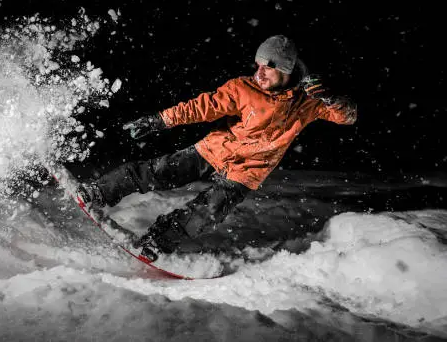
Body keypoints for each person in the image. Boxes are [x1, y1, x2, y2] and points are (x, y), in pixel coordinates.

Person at [76, 35, 357, 261]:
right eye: (257, 64)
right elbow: (202, 107)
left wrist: (331, 99)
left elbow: (348, 116)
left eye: (267, 67)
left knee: (208, 211)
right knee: (160, 172)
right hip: (216, 149)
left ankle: (157, 241)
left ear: (285, 69)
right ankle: (99, 190)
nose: (259, 72)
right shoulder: (243, 88)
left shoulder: (307, 102)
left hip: (247, 171)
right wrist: (159, 120)